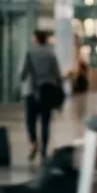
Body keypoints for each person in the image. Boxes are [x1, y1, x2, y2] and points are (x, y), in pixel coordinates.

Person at [21, 30, 64, 162]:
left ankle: (34, 143)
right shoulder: (51, 54)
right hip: (47, 92)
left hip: (31, 92)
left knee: (30, 121)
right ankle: (44, 150)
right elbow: (57, 74)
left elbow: (23, 73)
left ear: (36, 39)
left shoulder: (30, 53)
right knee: (45, 121)